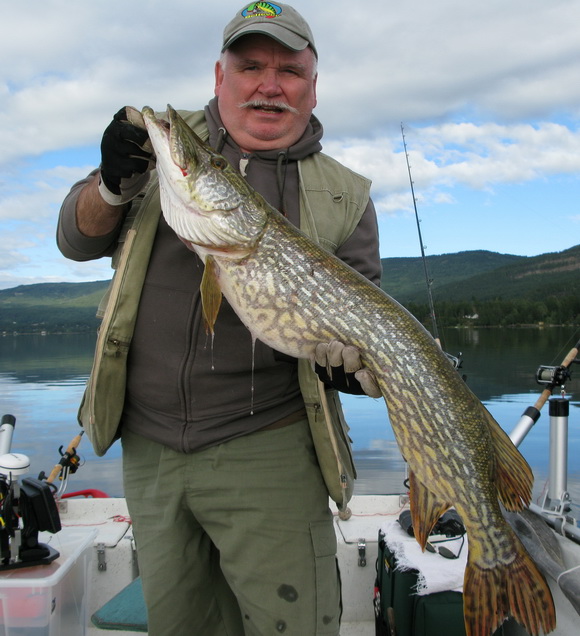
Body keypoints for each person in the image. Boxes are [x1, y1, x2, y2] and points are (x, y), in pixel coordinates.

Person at [57, 4, 382, 635]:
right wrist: (112, 185)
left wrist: (352, 365)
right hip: (148, 450)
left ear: (313, 87)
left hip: (270, 450)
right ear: (219, 74)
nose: (269, 83)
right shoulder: (162, 151)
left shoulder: (345, 194)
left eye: (290, 70)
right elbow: (76, 239)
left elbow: (364, 327)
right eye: (250, 65)